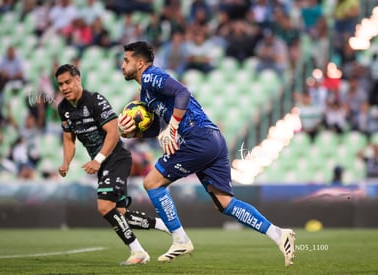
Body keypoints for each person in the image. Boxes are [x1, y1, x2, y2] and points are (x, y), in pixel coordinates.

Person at [118, 41, 296, 266]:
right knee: (224, 203)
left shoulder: (151, 76)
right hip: (212, 139)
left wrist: (172, 128)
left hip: (197, 137)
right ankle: (279, 234)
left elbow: (182, 92)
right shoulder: (145, 93)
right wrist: (132, 132)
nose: (122, 65)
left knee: (153, 182)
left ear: (140, 62)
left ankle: (180, 239)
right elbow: (153, 128)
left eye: (126, 60)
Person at [55, 64, 168, 266]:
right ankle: (164, 224)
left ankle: (138, 251)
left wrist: (97, 161)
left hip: (115, 158)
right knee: (120, 213)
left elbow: (114, 131)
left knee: (104, 206)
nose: (64, 87)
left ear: (78, 80)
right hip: (104, 164)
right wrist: (65, 163)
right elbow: (68, 139)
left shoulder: (94, 100)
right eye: (60, 84)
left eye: (68, 82)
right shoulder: (63, 108)